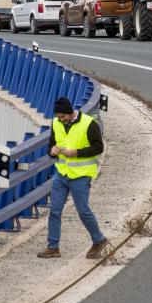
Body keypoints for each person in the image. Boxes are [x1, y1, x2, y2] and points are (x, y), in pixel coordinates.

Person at [38, 97, 108, 259]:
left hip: (81, 176)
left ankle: (99, 240)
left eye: (63, 116)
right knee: (54, 211)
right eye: (58, 116)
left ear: (70, 113)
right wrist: (52, 151)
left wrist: (77, 152)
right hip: (61, 174)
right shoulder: (56, 123)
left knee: (83, 211)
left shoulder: (89, 123)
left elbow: (98, 147)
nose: (60, 120)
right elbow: (50, 145)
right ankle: (53, 247)